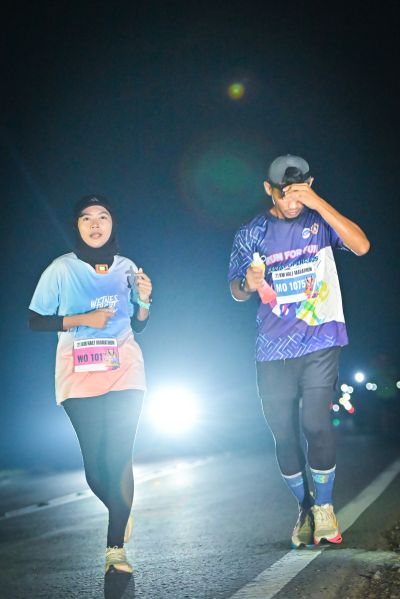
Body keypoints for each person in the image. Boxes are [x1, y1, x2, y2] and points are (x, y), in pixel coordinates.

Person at [228, 155, 370, 547]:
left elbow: (361, 246)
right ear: (268, 189)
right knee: (284, 434)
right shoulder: (252, 233)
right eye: (284, 194)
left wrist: (317, 202)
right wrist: (248, 282)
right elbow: (236, 291)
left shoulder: (320, 220)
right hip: (273, 348)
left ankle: (324, 507)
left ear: (310, 185)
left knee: (316, 424)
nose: (292, 203)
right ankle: (305, 507)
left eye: (299, 193)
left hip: (321, 340)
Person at [29, 194, 152, 574]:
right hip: (78, 377)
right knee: (96, 469)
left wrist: (145, 300)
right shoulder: (60, 269)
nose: (95, 224)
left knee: (119, 458)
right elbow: (36, 319)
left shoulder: (127, 267)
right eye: (87, 218)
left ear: (113, 223)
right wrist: (82, 318)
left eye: (103, 217)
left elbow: (140, 323)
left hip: (125, 371)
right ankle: (120, 509)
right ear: (77, 226)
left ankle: (115, 549)